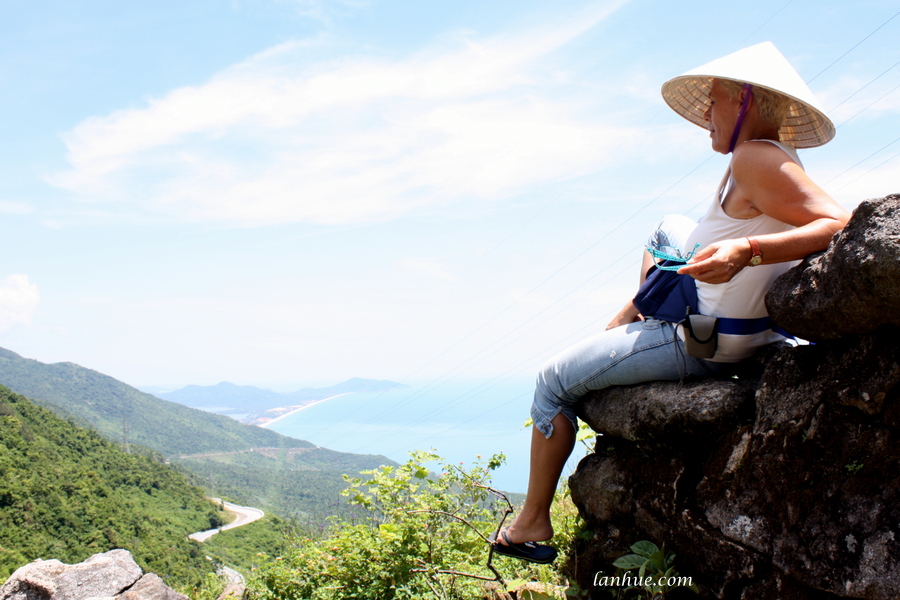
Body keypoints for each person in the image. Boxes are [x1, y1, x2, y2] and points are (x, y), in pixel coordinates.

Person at [490, 42, 852, 564]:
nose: (706, 113)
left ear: (745, 100)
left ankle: (532, 522)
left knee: (551, 383)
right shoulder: (759, 159)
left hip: (703, 339)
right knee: (667, 225)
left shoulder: (755, 158)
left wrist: (747, 250)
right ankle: (632, 314)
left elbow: (837, 223)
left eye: (715, 100)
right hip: (748, 329)